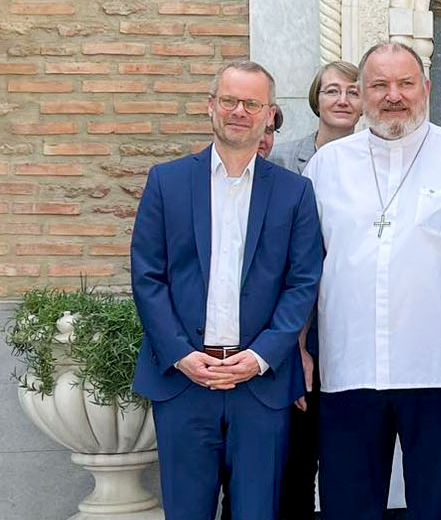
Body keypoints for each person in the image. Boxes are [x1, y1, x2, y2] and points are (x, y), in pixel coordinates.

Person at [304, 42, 441, 520]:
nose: (393, 96)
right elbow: (304, 270)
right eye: (379, 85)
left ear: (428, 90)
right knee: (347, 507)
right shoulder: (327, 167)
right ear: (362, 93)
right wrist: (299, 347)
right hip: (349, 366)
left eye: (405, 84)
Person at [130, 60, 323, 520]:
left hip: (259, 384)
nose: (240, 111)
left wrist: (260, 357)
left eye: (252, 103)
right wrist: (181, 353)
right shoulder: (167, 182)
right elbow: (147, 275)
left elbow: (303, 282)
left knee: (257, 511)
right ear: (210, 107)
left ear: (269, 114)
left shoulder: (295, 192)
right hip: (183, 381)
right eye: (230, 100)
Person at [269, 61, 363, 174]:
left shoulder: (373, 164)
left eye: (353, 93)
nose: (343, 101)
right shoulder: (277, 160)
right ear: (316, 100)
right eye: (332, 91)